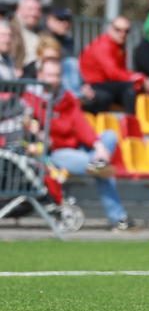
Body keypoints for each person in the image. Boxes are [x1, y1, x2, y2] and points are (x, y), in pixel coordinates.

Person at [24, 58, 140, 231]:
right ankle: (118, 217)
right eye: (49, 75)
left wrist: (99, 146)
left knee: (109, 136)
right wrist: (39, 135)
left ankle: (98, 162)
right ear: (39, 75)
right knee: (101, 170)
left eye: (57, 75)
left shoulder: (67, 97)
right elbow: (27, 125)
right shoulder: (31, 99)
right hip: (55, 153)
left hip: (75, 146)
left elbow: (81, 125)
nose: (54, 80)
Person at [79, 16, 149, 114]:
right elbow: (114, 73)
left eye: (126, 31)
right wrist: (142, 78)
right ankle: (132, 120)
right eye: (118, 30)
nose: (122, 34)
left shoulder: (120, 46)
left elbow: (119, 73)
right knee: (130, 87)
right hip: (94, 84)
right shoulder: (103, 45)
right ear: (110, 28)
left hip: (107, 84)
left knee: (137, 88)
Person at [8, 0, 42, 73]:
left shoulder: (42, 31)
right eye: (30, 9)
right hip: (18, 72)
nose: (34, 13)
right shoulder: (9, 27)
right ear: (18, 9)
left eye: (38, 10)